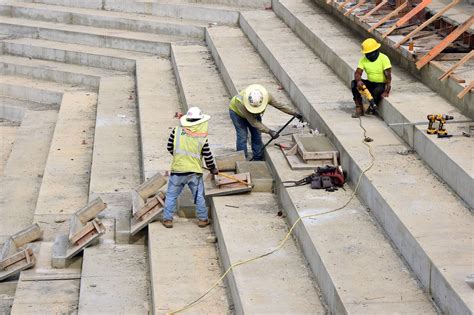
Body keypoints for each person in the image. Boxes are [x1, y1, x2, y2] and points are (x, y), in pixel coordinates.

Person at [162, 107, 218, 229]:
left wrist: (179, 158)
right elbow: (208, 155)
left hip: (178, 170)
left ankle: (167, 220)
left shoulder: (176, 131)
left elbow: (169, 147)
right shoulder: (202, 136)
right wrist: (212, 168)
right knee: (199, 196)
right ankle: (203, 220)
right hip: (194, 173)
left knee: (171, 196)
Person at [229, 84, 302, 161]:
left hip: (253, 114)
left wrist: (294, 113)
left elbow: (280, 105)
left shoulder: (267, 96)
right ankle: (241, 160)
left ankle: (257, 158)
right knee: (242, 135)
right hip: (237, 113)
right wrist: (269, 131)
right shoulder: (241, 102)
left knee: (256, 135)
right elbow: (254, 123)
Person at [351, 38, 392, 118]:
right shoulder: (363, 60)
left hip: (380, 84)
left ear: (375, 51)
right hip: (370, 82)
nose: (368, 56)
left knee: (377, 91)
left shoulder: (384, 58)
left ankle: (372, 106)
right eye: (366, 54)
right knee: (353, 83)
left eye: (369, 54)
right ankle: (359, 108)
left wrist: (387, 90)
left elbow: (388, 76)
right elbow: (358, 72)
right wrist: (359, 81)